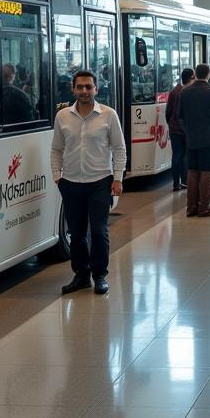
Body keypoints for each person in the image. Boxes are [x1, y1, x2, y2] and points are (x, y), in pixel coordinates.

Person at [52, 69, 127, 295]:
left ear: (96, 89)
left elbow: (119, 148)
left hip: (100, 182)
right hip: (71, 182)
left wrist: (118, 178)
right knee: (76, 233)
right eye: (80, 87)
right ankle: (81, 275)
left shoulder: (108, 114)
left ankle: (100, 275)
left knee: (98, 231)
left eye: (89, 87)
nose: (84, 91)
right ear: (73, 89)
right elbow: (56, 148)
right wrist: (57, 175)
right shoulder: (62, 116)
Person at [178, 63, 210, 217]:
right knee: (206, 172)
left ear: (195, 74)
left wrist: (188, 131)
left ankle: (190, 207)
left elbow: (180, 116)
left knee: (192, 172)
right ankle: (204, 207)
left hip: (191, 137)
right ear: (209, 74)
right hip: (208, 137)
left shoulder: (185, 92)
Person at [165, 67, 193, 192]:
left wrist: (171, 124)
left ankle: (175, 183)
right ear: (191, 77)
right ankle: (185, 181)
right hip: (187, 129)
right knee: (186, 155)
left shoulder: (174, 91)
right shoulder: (190, 91)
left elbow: (168, 111)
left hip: (174, 128)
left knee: (176, 155)